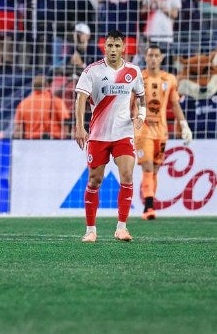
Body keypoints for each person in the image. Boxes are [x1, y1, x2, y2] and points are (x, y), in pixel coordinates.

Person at [74, 30, 146, 243]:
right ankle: (90, 230)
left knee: (127, 175)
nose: (113, 50)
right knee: (94, 181)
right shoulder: (92, 72)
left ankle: (121, 228)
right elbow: (80, 99)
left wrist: (140, 116)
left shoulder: (133, 71)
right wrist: (79, 127)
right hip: (98, 134)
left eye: (117, 46)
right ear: (104, 47)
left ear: (124, 47)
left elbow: (141, 99)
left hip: (123, 133)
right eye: (109, 46)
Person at [135, 45, 192, 220]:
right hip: (142, 130)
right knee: (148, 167)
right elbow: (130, 103)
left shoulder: (170, 79)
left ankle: (147, 205)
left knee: (155, 170)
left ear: (161, 58)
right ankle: (149, 207)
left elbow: (175, 105)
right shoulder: (138, 78)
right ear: (145, 57)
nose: (153, 58)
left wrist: (184, 125)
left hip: (161, 131)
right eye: (150, 55)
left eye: (156, 55)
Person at [13, 75, 70, 140]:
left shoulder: (23, 103)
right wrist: (66, 138)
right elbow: (65, 121)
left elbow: (18, 128)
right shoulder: (56, 101)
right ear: (47, 85)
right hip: (53, 140)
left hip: (30, 141)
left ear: (33, 86)